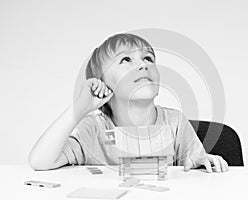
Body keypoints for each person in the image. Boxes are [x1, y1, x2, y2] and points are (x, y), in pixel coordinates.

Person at [28, 33, 228, 173]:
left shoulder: (175, 122)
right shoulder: (92, 129)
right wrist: (80, 107)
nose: (143, 65)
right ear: (102, 81)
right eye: (125, 60)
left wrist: (202, 163)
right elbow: (40, 161)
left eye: (148, 58)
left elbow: (195, 165)